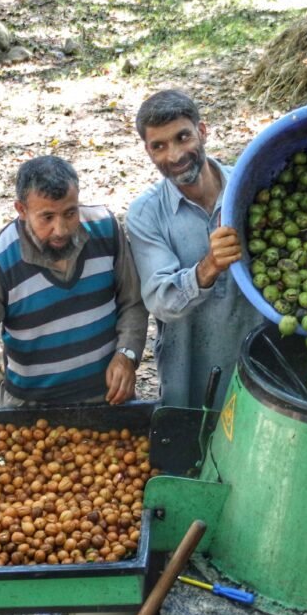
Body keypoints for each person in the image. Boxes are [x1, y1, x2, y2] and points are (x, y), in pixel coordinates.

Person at [0, 155, 148, 487]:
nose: (61, 229)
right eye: (46, 217)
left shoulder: (106, 230)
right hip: (30, 411)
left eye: (70, 213)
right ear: (21, 211)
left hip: (107, 401)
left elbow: (133, 303)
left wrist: (127, 354)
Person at [126, 89, 262, 409]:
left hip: (259, 368)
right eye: (159, 146)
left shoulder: (251, 189)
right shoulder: (146, 214)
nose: (174, 156)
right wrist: (208, 267)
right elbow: (161, 300)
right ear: (147, 151)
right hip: (191, 378)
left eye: (182, 137)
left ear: (202, 132)